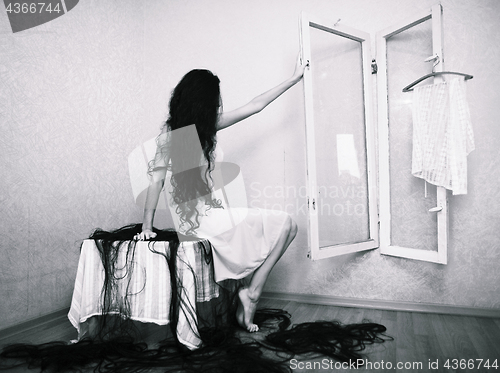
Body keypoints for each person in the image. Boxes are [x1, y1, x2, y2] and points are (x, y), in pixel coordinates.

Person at [134, 55, 307, 333]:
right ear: (200, 99)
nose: (217, 104)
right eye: (213, 99)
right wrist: (146, 226)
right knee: (286, 223)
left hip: (210, 214)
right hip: (197, 222)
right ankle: (251, 294)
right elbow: (156, 182)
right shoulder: (171, 134)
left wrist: (293, 78)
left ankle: (250, 292)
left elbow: (255, 105)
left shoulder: (205, 126)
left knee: (292, 227)